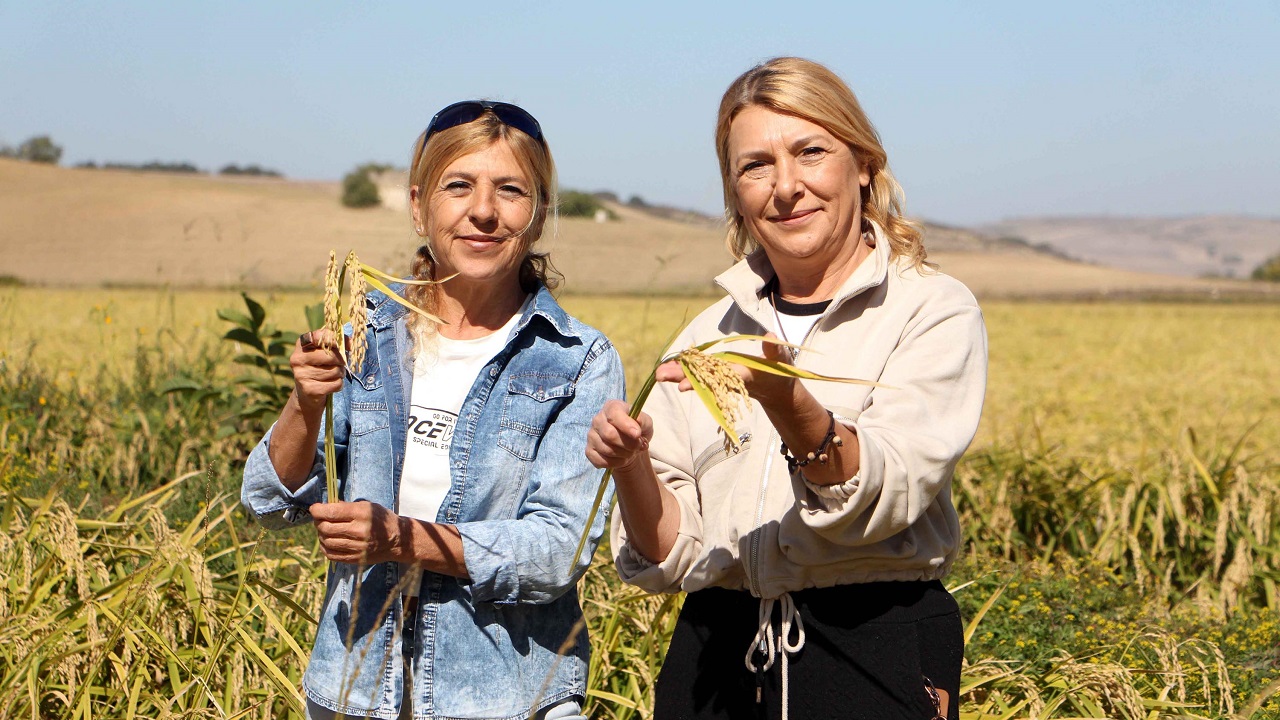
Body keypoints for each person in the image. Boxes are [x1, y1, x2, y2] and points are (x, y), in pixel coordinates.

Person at [587, 58, 987, 720]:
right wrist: (631, 467)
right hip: (713, 650)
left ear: (862, 164)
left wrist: (784, 397)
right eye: (755, 166)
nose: (786, 186)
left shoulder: (931, 309)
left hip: (869, 639)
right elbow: (670, 552)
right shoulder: (709, 334)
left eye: (811, 152)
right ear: (735, 191)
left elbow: (883, 494)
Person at [242, 100, 624, 720]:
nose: (483, 211)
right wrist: (305, 404)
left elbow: (556, 551)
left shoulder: (577, 361)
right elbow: (265, 499)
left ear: (539, 214)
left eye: (510, 190)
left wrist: (403, 539)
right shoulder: (365, 331)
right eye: (459, 186)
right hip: (355, 694)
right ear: (419, 207)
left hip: (505, 699)